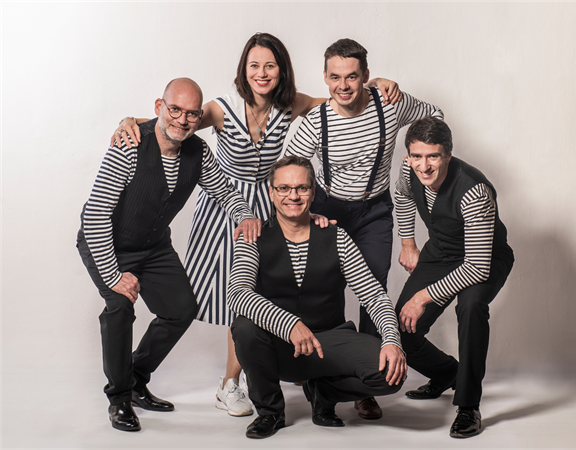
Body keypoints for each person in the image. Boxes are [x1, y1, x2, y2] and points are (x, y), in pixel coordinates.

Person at [112, 33, 402, 418]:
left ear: (282, 70)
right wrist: (130, 120)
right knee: (226, 297)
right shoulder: (221, 108)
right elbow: (176, 121)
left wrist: (375, 84)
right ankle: (225, 383)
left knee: (264, 292)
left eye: (270, 65)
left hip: (271, 205)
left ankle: (242, 378)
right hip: (225, 206)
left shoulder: (292, 103)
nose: (261, 73)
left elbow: (338, 98)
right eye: (254, 65)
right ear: (243, 69)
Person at [77, 78, 262, 432]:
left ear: (199, 117)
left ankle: (135, 379)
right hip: (107, 243)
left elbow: (225, 191)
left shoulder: (198, 151)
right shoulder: (129, 146)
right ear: (159, 107)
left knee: (181, 309)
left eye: (192, 114)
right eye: (175, 109)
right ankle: (119, 398)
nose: (182, 119)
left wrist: (245, 215)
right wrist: (114, 275)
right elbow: (96, 215)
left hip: (153, 246)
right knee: (119, 307)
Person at [284, 37, 444, 419]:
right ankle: (327, 371)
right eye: (335, 77)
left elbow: (434, 116)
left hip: (374, 211)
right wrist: (306, 211)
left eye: (352, 76)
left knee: (372, 287)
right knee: (327, 289)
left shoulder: (389, 105)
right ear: (325, 77)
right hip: (327, 210)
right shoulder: (315, 122)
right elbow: (289, 170)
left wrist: (414, 161)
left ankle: (365, 379)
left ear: (366, 76)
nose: (343, 86)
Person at [227, 155, 406, 439]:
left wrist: (392, 340)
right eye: (284, 188)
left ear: (313, 192)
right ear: (271, 193)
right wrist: (289, 325)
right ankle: (270, 412)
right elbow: (238, 294)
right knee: (244, 327)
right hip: (279, 346)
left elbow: (374, 296)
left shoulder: (337, 236)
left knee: (391, 374)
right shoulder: (253, 237)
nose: (293, 196)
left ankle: (324, 392)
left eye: (302, 188)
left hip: (329, 341)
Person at [394, 117, 514, 438]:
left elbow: (476, 267)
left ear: (448, 154)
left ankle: (468, 405)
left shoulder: (474, 191)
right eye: (417, 156)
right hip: (441, 252)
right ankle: (448, 373)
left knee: (471, 306)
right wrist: (408, 243)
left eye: (433, 156)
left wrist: (423, 297)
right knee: (401, 329)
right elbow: (402, 195)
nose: (424, 166)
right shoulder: (409, 168)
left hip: (485, 258)